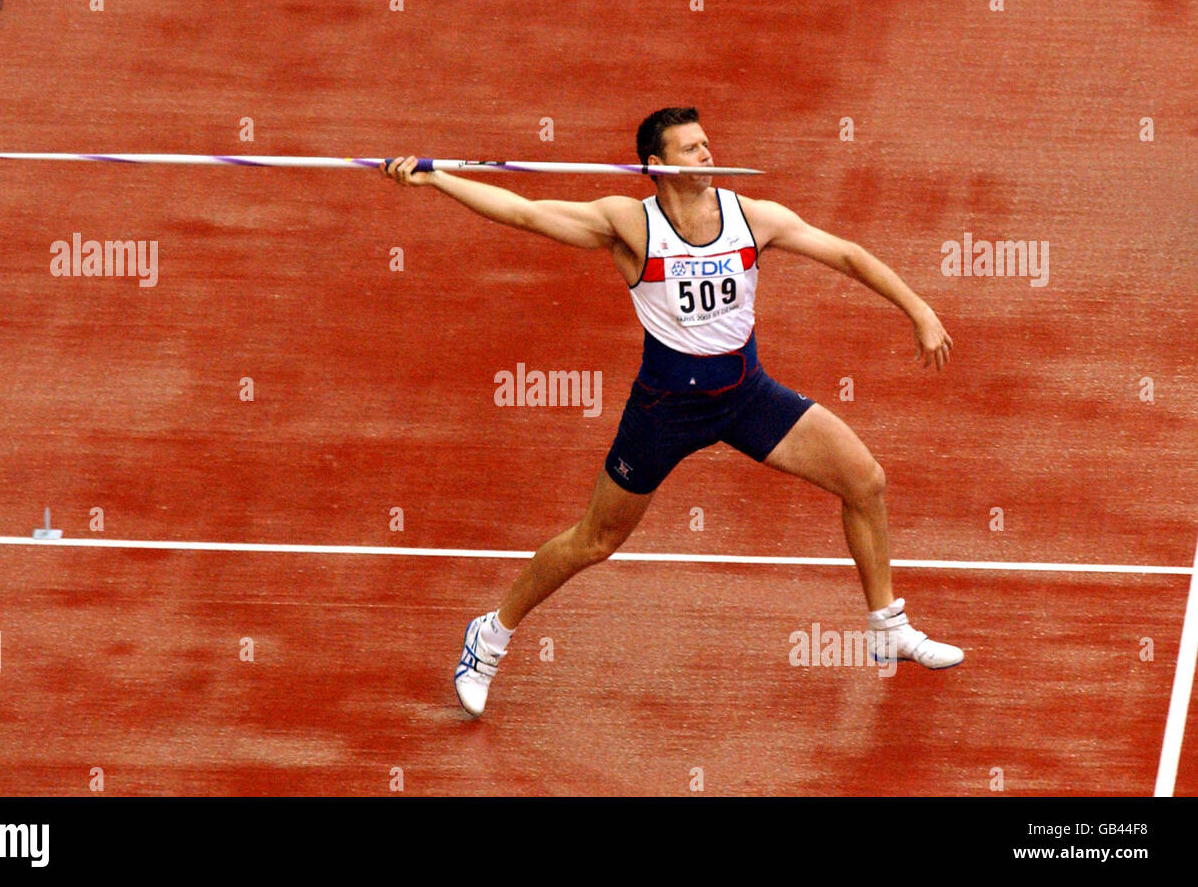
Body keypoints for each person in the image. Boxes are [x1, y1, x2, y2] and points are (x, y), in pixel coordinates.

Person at [380, 107, 963, 718]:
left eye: (708, 144)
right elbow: (526, 212)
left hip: (745, 396)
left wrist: (918, 310)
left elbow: (844, 254)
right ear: (656, 166)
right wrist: (438, 178)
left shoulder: (751, 218)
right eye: (691, 149)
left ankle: (886, 628)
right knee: (595, 540)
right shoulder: (628, 225)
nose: (708, 155)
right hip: (665, 410)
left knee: (865, 481)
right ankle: (489, 636)